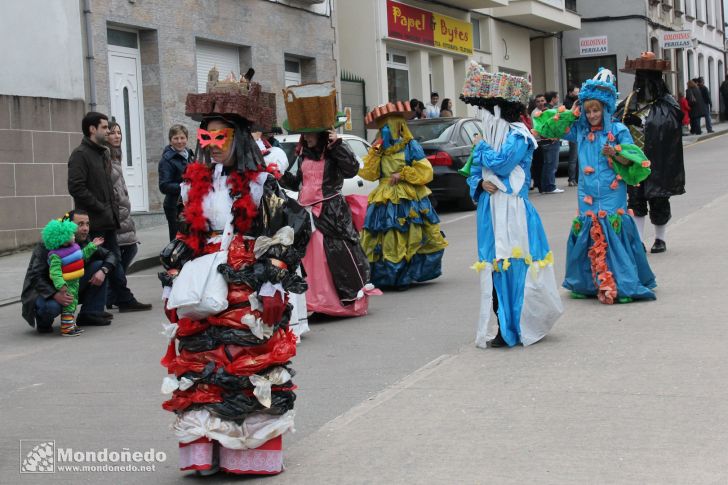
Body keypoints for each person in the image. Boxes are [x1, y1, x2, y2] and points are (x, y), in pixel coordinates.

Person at [160, 72, 310, 476]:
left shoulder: (261, 183)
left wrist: (270, 274)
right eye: (205, 138)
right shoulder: (195, 184)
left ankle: (246, 455)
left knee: (242, 362)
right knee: (200, 361)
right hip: (200, 275)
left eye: (219, 137)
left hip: (244, 278)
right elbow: (186, 231)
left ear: (238, 138)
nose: (211, 146)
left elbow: (291, 226)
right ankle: (206, 453)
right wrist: (174, 271)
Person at [460, 67, 562, 347]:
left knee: (517, 264)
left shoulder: (519, 136)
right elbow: (473, 172)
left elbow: (503, 163)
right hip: (490, 212)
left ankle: (519, 324)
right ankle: (502, 325)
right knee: (494, 266)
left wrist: (480, 148)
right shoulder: (490, 137)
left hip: (514, 211)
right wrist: (479, 186)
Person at [535, 68, 656, 303]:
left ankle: (622, 282)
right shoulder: (580, 130)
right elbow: (548, 127)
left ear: (605, 109)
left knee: (613, 232)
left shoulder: (618, 130)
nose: (591, 115)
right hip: (587, 193)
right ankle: (588, 283)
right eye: (588, 110)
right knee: (588, 231)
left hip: (613, 193)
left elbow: (634, 160)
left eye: (596, 110)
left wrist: (615, 153)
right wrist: (572, 112)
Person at [279, 108, 378, 317]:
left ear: (322, 134)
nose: (306, 137)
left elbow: (351, 169)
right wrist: (280, 176)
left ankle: (335, 303)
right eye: (304, 133)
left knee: (334, 256)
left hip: (331, 213)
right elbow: (299, 183)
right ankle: (311, 303)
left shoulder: (334, 152)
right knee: (307, 259)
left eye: (311, 133)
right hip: (306, 214)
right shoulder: (304, 155)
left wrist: (338, 144)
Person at [360, 101, 448, 289]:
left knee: (409, 235)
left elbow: (425, 171)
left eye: (388, 125)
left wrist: (403, 174)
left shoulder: (410, 145)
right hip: (385, 196)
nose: (386, 130)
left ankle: (405, 274)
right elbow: (369, 173)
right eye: (382, 127)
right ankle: (385, 276)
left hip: (408, 195)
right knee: (387, 235)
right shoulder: (379, 149)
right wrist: (375, 152)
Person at [616, 53, 686, 253]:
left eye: (647, 79)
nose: (642, 83)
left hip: (658, 159)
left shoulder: (667, 102)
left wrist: (642, 122)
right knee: (635, 199)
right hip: (634, 161)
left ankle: (660, 238)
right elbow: (615, 123)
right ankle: (638, 241)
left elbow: (671, 124)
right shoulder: (629, 102)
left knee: (658, 199)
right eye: (640, 78)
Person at [22, 210, 118, 332]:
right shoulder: (47, 245)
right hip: (45, 291)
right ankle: (43, 320)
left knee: (100, 266)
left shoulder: (83, 241)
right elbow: (35, 277)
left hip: (70, 286)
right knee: (52, 307)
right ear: (68, 225)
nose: (85, 228)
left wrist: (103, 270)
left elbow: (110, 255)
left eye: (87, 224)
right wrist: (55, 294)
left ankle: (90, 313)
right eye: (80, 224)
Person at [106, 122, 151, 313]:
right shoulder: (106, 157)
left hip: (123, 213)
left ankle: (113, 294)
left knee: (129, 249)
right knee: (121, 253)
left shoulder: (116, 156)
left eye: (119, 133)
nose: (117, 136)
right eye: (112, 133)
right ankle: (116, 294)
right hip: (116, 215)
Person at [39, 217, 105, 336]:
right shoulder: (55, 255)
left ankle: (71, 324)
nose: (74, 236)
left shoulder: (74, 248)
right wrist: (61, 285)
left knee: (73, 303)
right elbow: (55, 272)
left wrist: (93, 245)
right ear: (63, 238)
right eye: (71, 235)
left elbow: (82, 255)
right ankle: (66, 328)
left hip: (75, 281)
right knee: (68, 305)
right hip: (67, 283)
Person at [159, 124, 194, 241]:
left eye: (182, 138)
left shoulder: (190, 154)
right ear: (170, 140)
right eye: (176, 138)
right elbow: (164, 186)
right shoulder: (166, 160)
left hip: (188, 204)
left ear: (187, 139)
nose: (179, 141)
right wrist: (185, 187)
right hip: (174, 205)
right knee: (178, 239)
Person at [564, 86, 580, 186]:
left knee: (577, 157)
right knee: (573, 157)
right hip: (572, 131)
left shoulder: (576, 102)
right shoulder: (568, 103)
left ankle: (576, 178)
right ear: (570, 93)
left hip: (576, 131)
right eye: (576, 92)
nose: (578, 94)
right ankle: (571, 179)